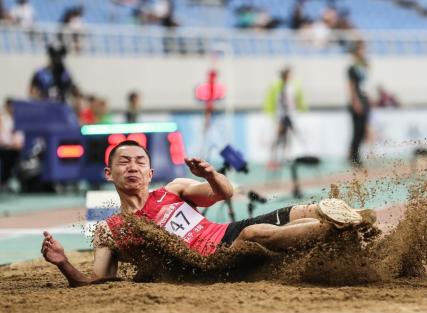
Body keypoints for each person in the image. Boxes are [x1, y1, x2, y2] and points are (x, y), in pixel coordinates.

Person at [41, 140, 376, 287]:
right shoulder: (110, 230)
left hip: (224, 234)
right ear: (108, 173)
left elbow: (225, 193)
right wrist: (63, 263)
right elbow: (98, 281)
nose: (132, 167)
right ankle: (337, 228)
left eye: (139, 162)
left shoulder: (173, 189)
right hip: (210, 264)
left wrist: (211, 175)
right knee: (253, 234)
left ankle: (345, 219)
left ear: (149, 171)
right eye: (123, 162)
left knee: (296, 210)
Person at [264, 67, 307, 169]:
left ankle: (282, 159)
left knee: (286, 139)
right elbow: (280, 103)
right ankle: (272, 160)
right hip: (282, 116)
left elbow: (294, 101)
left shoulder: (291, 86)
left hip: (289, 115)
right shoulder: (280, 87)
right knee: (278, 138)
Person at [347, 41, 370, 167]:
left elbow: (365, 84)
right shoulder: (352, 68)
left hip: (364, 98)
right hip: (357, 100)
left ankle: (356, 154)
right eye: (361, 50)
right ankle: (353, 156)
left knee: (362, 130)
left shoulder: (362, 67)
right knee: (357, 130)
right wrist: (355, 101)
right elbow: (351, 86)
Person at [0, 98, 24, 191]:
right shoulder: (2, 119)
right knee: (7, 155)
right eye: (9, 106)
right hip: (4, 147)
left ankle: (7, 181)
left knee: (14, 155)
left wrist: (16, 145)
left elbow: (19, 138)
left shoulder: (17, 119)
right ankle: (4, 181)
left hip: (14, 148)